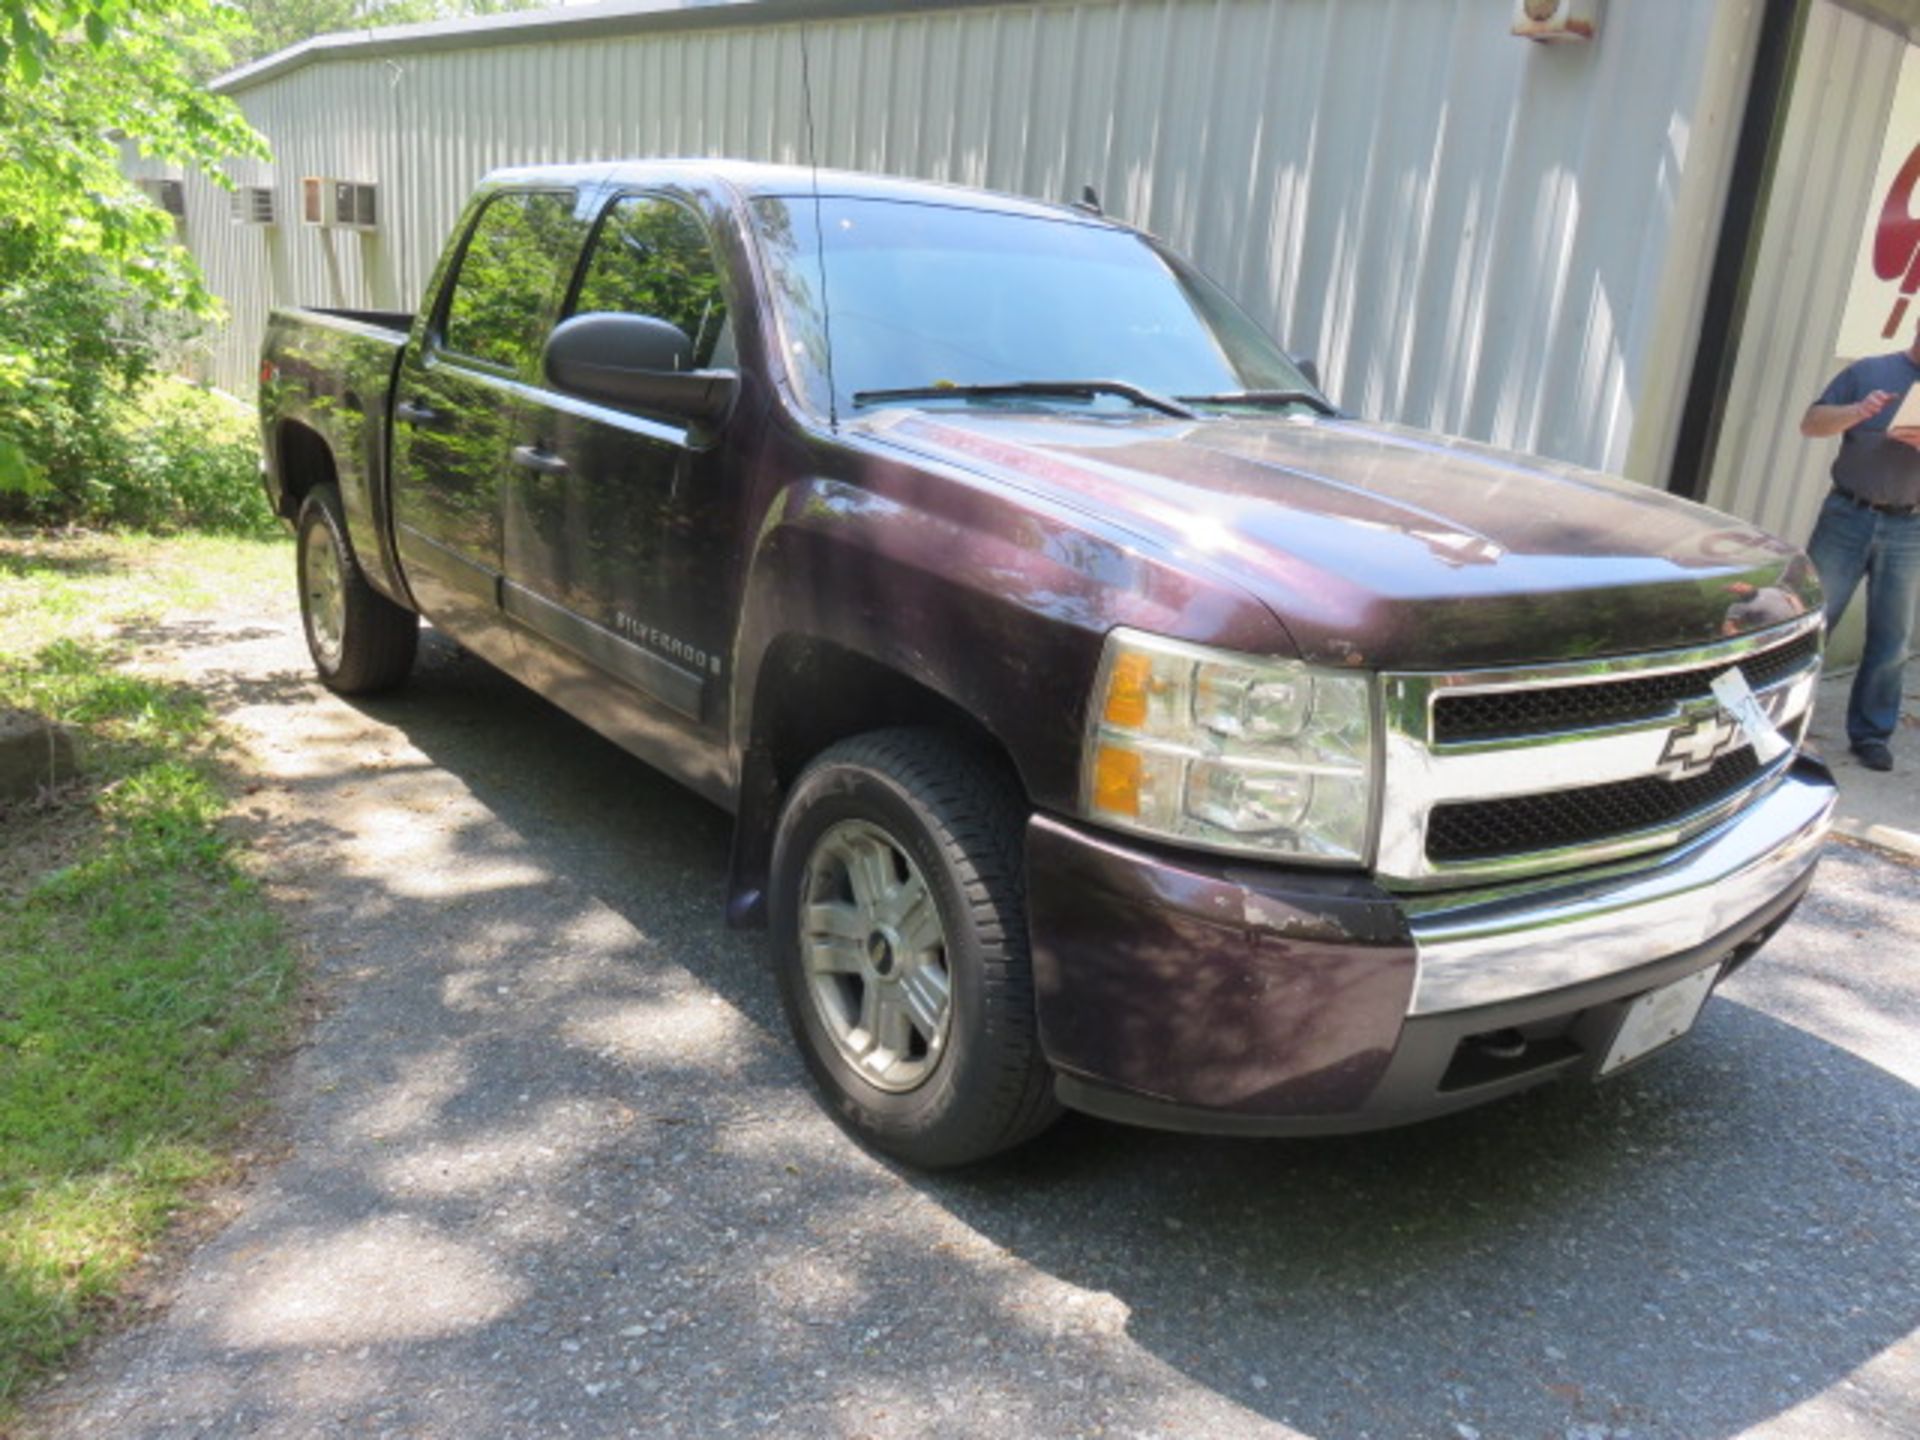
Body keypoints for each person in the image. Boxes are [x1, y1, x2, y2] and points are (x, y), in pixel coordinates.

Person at [1798, 335, 1920, 772]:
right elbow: (1811, 423)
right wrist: (1857, 411)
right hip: (1847, 516)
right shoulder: (1869, 372)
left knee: (1891, 640)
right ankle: (1784, 724)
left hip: (1910, 526)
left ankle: (1871, 734)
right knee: (1811, 626)